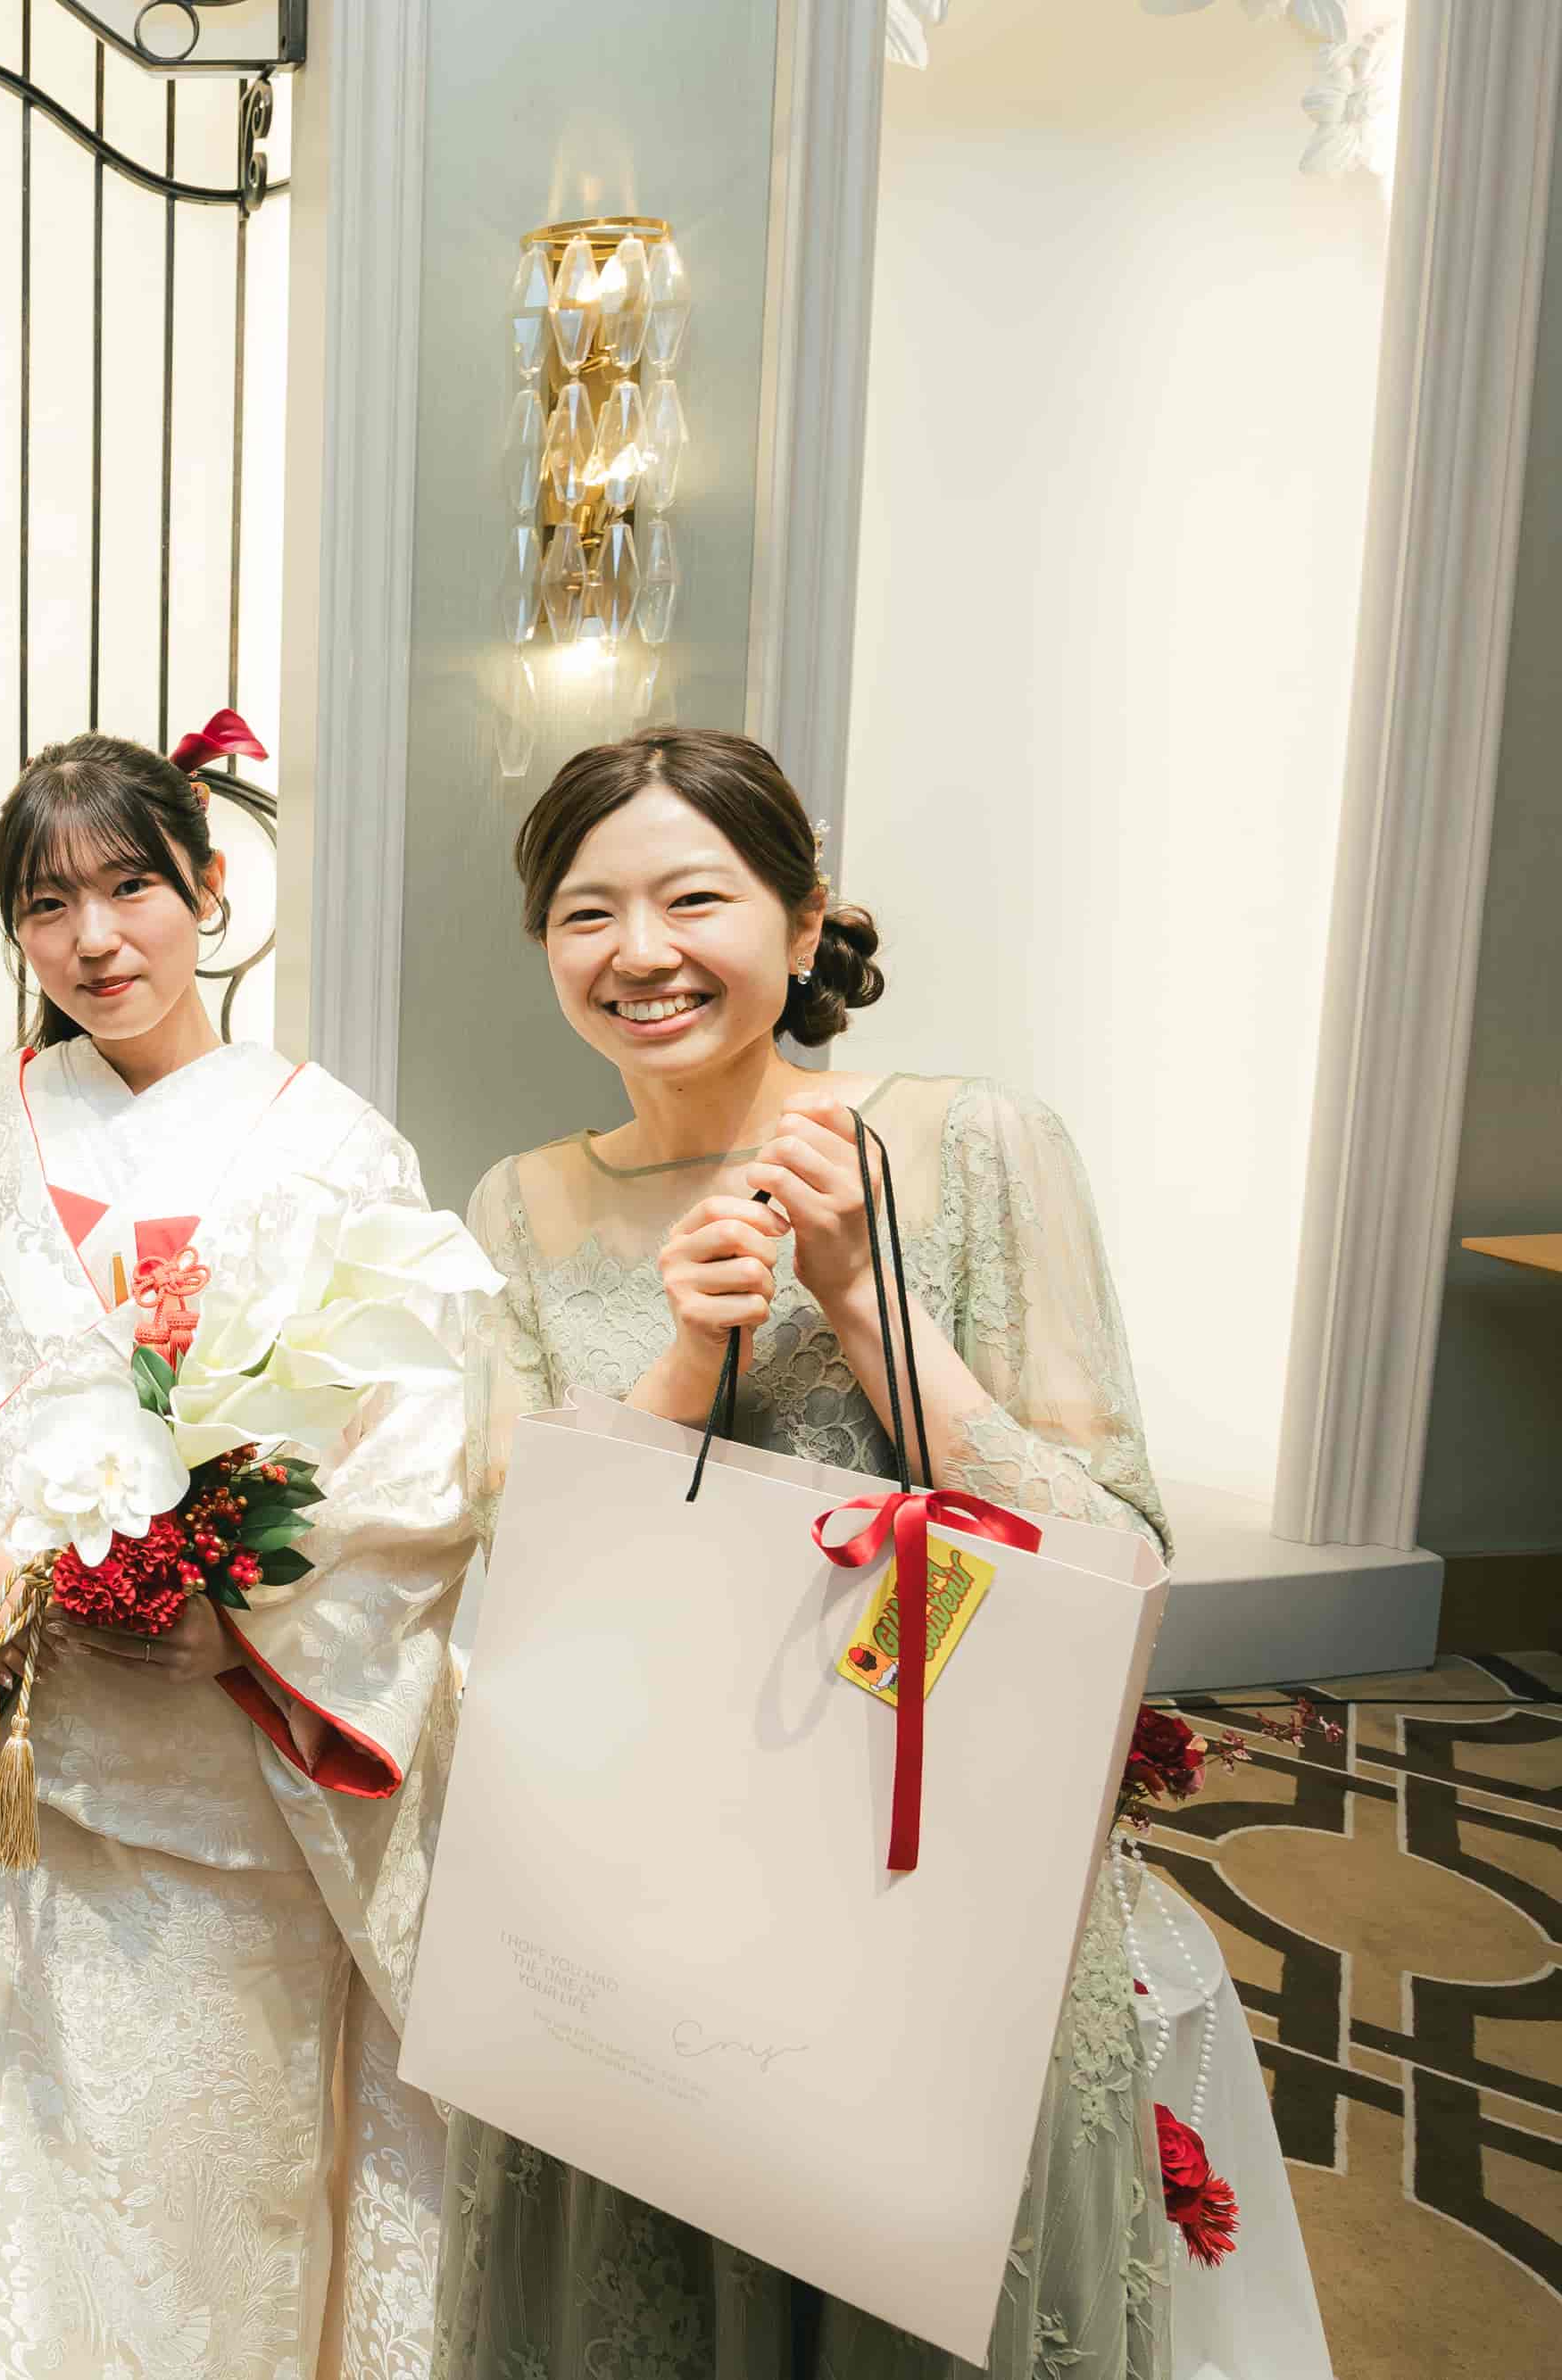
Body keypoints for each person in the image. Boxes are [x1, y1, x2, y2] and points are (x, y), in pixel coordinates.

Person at [394, 724, 1187, 2380]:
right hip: (639, 1903)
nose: (642, 952)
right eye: (588, 914)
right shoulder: (519, 1209)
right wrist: (688, 1356)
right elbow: (523, 1584)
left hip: (927, 1884)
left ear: (807, 921)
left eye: (696, 898)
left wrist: (860, 1295)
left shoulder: (978, 1144)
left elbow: (1112, 1555)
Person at [0, 732, 487, 2379]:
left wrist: (251, 1617)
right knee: (5, 2175)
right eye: (47, 902)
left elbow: (422, 1440)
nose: (95, 938)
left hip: (238, 1768)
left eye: (133, 886)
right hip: (24, 1767)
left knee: (223, 2197)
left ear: (210, 888)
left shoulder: (333, 1143)